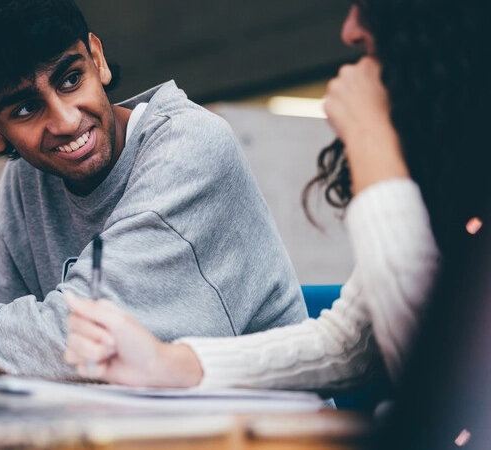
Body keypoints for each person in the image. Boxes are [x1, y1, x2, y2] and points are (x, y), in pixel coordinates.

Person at [64, 0, 490, 392]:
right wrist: (169, 362)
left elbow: (444, 379)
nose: (351, 29)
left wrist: (372, 143)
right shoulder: (456, 161)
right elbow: (350, 343)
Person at [0, 0, 308, 379]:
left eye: (71, 79)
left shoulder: (189, 147)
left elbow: (81, 342)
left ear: (98, 59)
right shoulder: (28, 180)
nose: (66, 120)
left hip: (275, 427)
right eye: (26, 109)